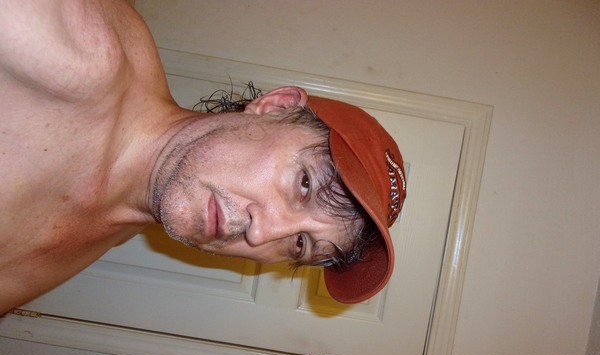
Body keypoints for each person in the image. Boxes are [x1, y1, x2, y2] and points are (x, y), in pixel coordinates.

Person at [0, 0, 406, 315]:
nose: (261, 235)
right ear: (276, 106)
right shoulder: (72, 50)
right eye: (304, 185)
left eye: (300, 244)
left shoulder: (123, 223)